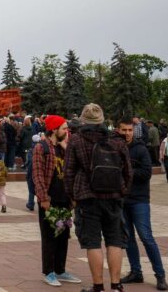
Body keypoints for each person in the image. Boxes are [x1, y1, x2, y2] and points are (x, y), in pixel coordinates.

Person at [64, 104, 131, 292]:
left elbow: (68, 172)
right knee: (114, 240)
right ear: (102, 120)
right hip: (113, 196)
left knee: (93, 242)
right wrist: (122, 191)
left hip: (87, 197)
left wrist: (73, 196)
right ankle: (116, 285)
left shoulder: (76, 140)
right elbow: (128, 171)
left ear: (83, 120)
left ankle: (98, 286)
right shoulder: (116, 141)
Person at [116, 119, 168, 290]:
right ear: (118, 130)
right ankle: (136, 272)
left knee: (146, 237)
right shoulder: (115, 147)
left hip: (139, 200)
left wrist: (125, 171)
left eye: (130, 130)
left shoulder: (140, 148)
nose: (127, 133)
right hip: (122, 199)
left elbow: (146, 173)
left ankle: (160, 275)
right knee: (128, 238)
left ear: (134, 130)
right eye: (124, 130)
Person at [32, 115, 81, 287]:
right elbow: (37, 175)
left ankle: (61, 270)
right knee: (49, 237)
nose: (67, 131)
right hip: (49, 201)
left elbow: (74, 170)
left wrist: (73, 198)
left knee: (63, 235)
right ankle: (49, 272)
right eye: (64, 128)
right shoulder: (41, 147)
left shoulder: (65, 148)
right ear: (54, 129)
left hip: (65, 200)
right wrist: (43, 198)